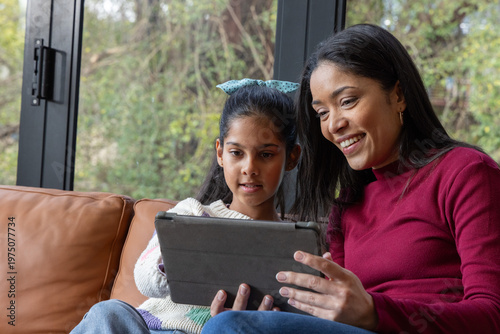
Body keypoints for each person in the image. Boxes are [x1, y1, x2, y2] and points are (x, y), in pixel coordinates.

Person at [201, 24, 500, 333]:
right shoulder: (349, 205)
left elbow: (493, 314)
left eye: (347, 101)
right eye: (322, 113)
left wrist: (374, 312)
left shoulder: (467, 173)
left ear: (398, 95)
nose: (334, 125)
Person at [69, 78, 301, 334]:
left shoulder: (295, 248)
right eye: (237, 153)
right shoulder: (190, 213)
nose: (249, 168)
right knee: (108, 312)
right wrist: (187, 262)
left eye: (266, 154)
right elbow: (145, 278)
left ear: (291, 157)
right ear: (220, 153)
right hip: (144, 329)